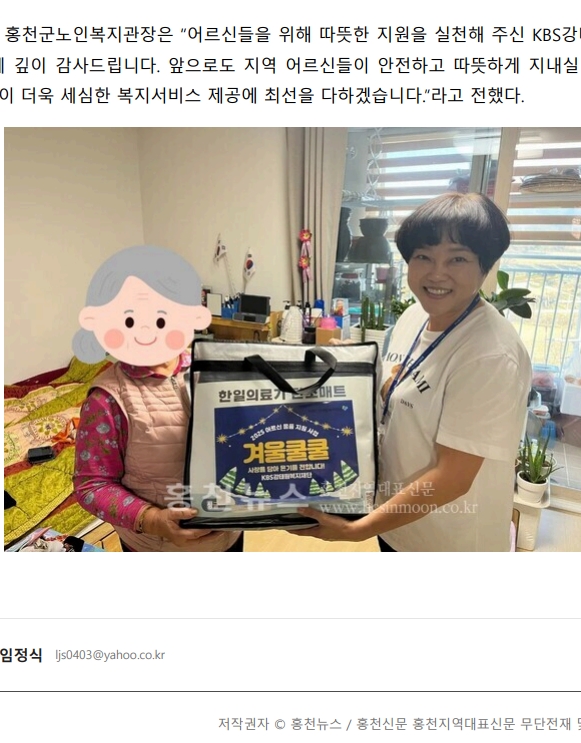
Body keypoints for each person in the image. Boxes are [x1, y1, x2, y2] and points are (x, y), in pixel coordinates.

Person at [288, 193, 531, 551]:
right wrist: (354, 366)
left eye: (458, 258)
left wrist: (358, 529)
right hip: (396, 522)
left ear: (486, 265)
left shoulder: (490, 354)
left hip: (450, 542)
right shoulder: (415, 316)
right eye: (423, 257)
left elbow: (453, 477)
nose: (437, 273)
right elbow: (400, 387)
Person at [73, 245, 242, 553]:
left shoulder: (215, 369)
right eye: (129, 321)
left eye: (162, 319)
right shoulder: (106, 400)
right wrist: (152, 520)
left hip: (228, 534)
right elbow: (91, 485)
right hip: (155, 546)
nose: (147, 332)